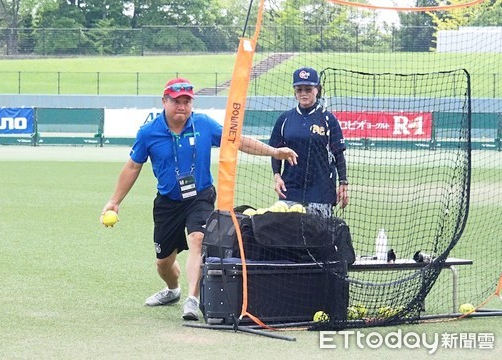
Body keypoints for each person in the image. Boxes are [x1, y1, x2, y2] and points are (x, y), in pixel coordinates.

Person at [101, 77, 298, 321]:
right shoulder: (148, 132)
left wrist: (274, 151)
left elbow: (237, 141)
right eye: (176, 101)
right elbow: (133, 167)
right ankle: (173, 290)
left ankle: (192, 300)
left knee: (198, 239)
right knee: (163, 263)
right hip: (168, 202)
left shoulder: (204, 124)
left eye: (187, 101)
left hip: (200, 196)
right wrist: (115, 201)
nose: (182, 106)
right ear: (164, 101)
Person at [269, 67, 349, 218]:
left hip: (321, 191)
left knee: (319, 238)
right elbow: (275, 152)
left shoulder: (328, 119)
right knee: (288, 237)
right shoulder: (284, 119)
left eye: (308, 89)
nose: (303, 93)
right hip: (291, 190)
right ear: (294, 92)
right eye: (299, 89)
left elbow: (338, 154)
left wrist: (343, 182)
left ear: (317, 90)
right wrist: (277, 176)